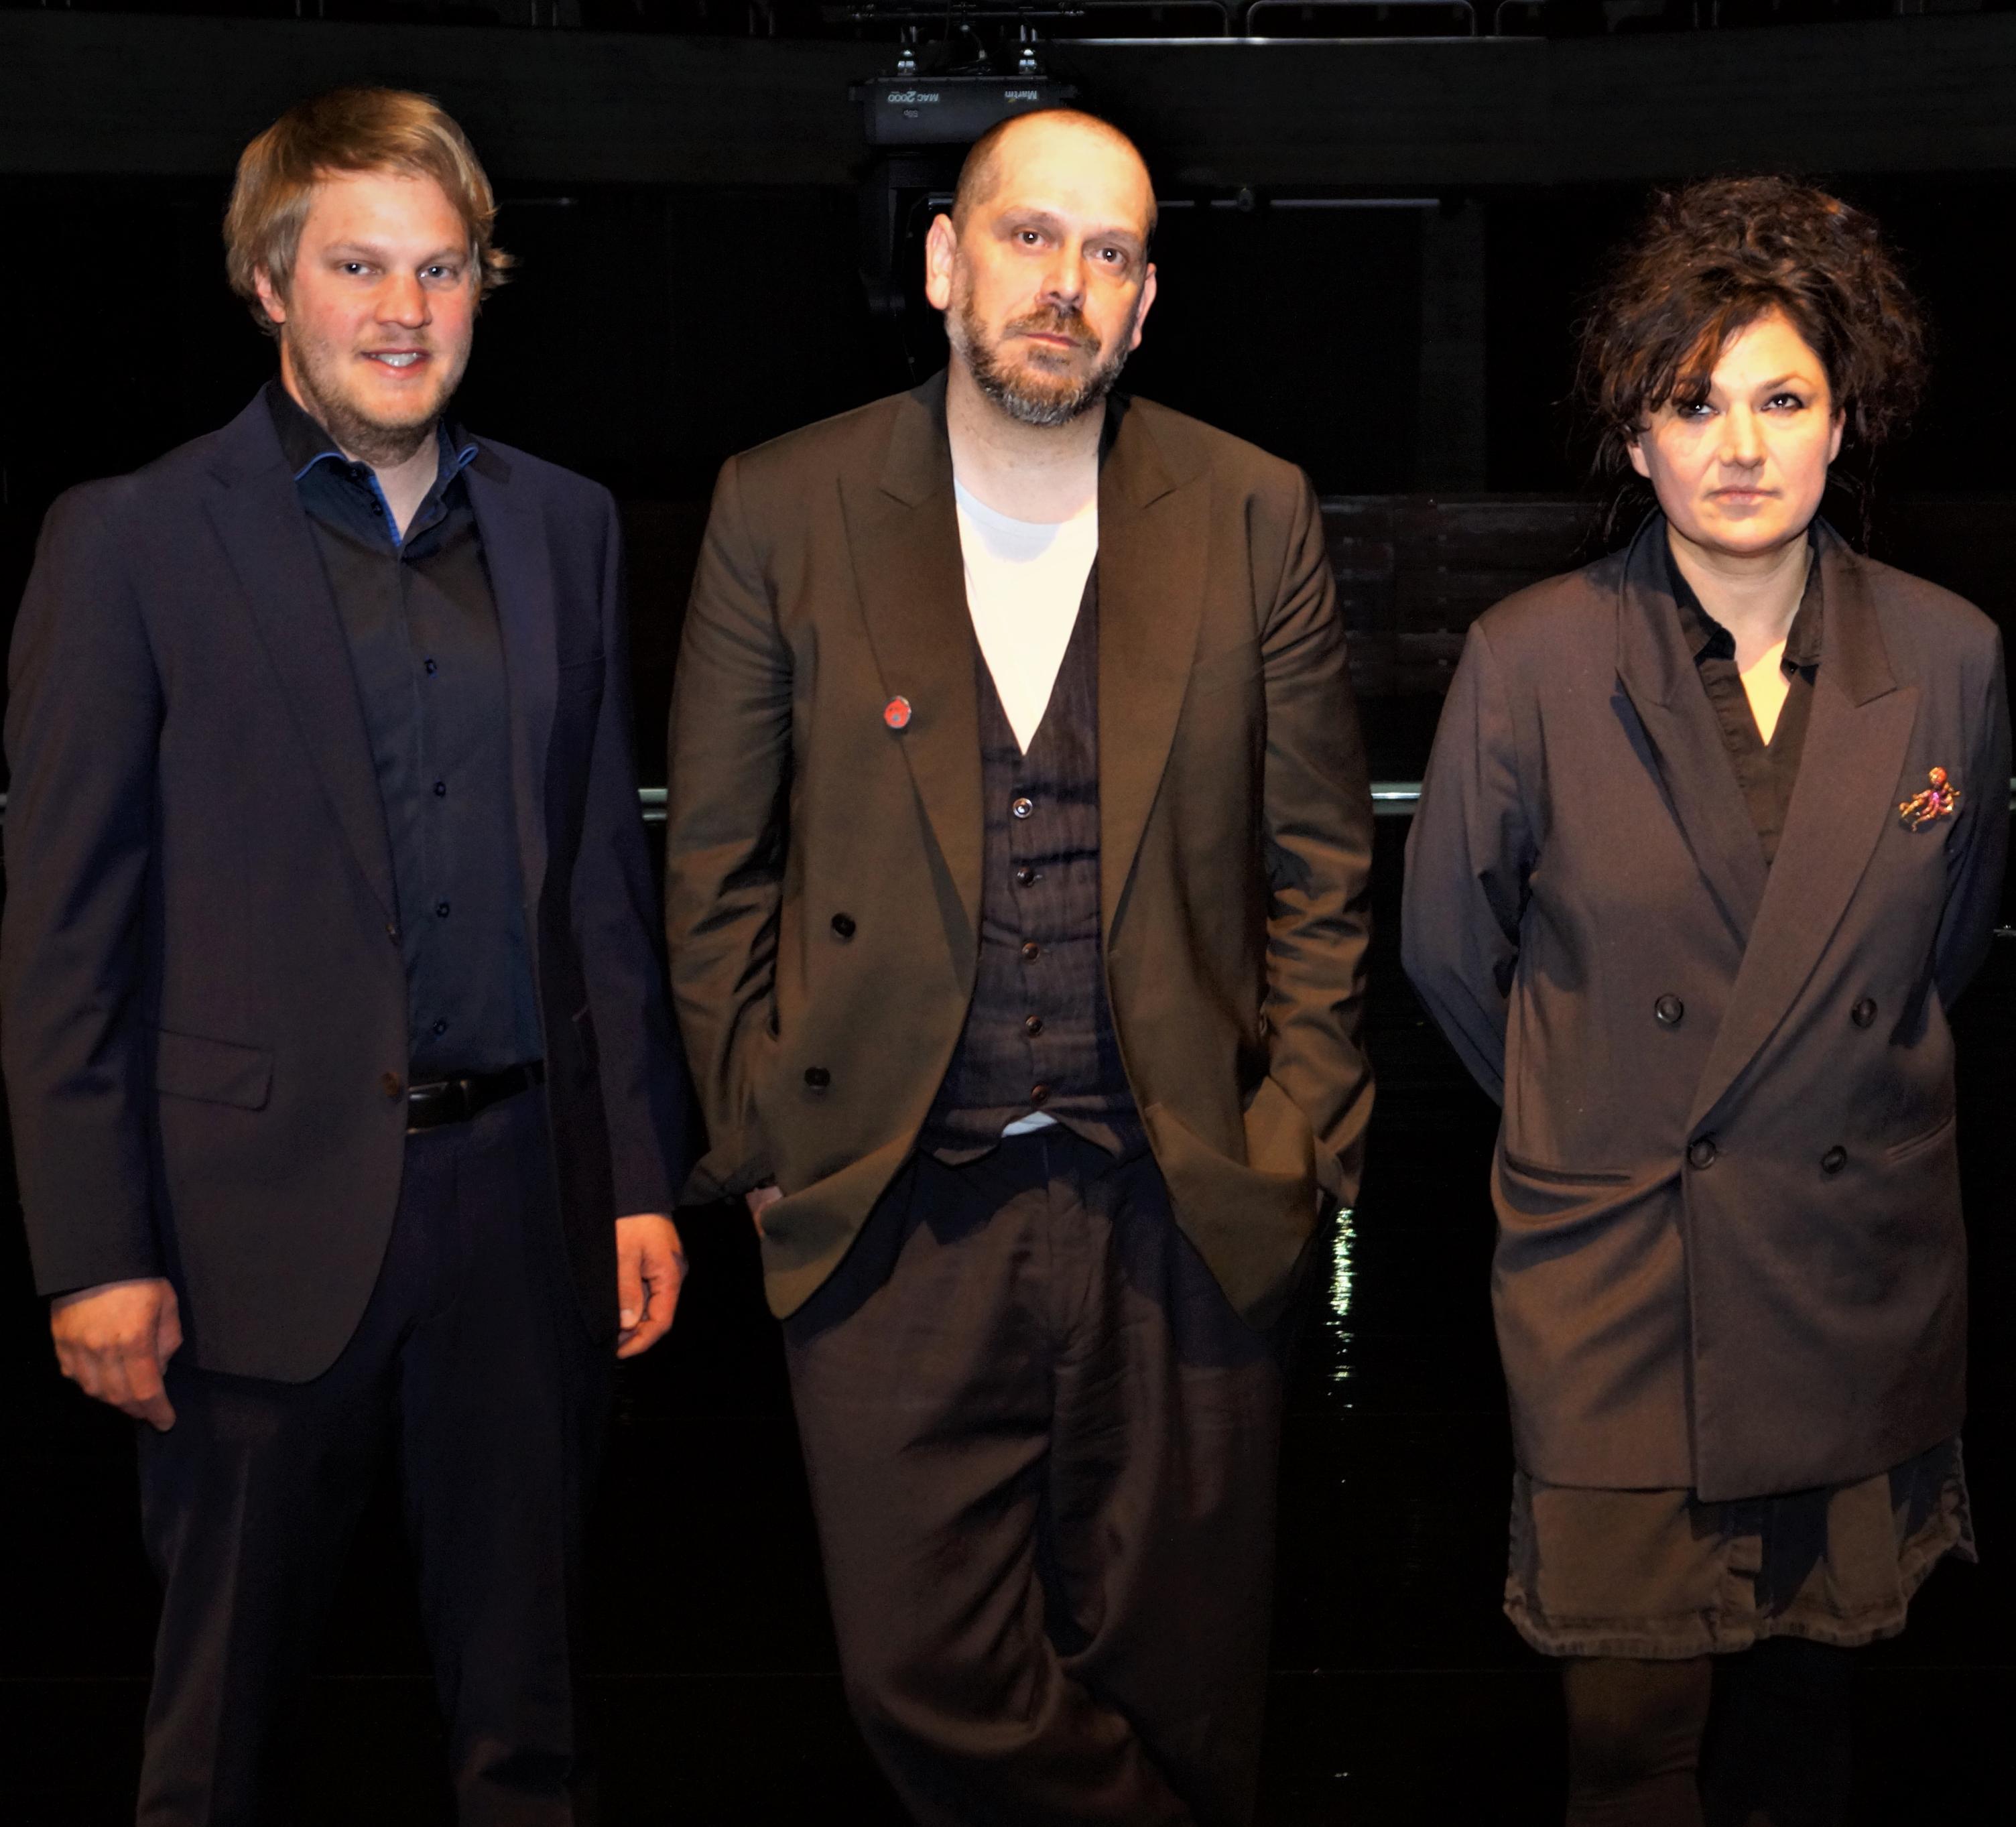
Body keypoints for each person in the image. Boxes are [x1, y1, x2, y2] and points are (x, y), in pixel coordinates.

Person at [662, 108, 1373, 1826]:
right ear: (942, 261)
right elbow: (713, 867)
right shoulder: (782, 503)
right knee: (919, 1675)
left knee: (1184, 1684)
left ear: (1145, 302)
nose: (1065, 283)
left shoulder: (1251, 508)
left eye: (1109, 253)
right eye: (1029, 236)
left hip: (1183, 1195)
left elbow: (1322, 868)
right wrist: (765, 1137)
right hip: (887, 1200)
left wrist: (1295, 1141)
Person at [3, 88, 692, 1825]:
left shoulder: (565, 525)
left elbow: (601, 888)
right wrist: (93, 1252)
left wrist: (636, 1176)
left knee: (531, 1729)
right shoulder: (132, 540)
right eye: (359, 266)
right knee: (216, 1743)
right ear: (268, 285)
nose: (405, 309)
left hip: (522, 1213)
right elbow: (67, 935)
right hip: (247, 1228)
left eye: (442, 269)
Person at [1401, 176, 2007, 1826]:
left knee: (1808, 1729)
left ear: (1842, 421)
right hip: (1618, 1266)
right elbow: (1452, 957)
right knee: (1626, 1742)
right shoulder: (1530, 658)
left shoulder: (1948, 655)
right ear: (1635, 436)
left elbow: (1939, 949)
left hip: (1846, 1263)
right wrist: (1603, 1114)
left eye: (1780, 401)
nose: (1738, 446)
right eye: (1692, 403)